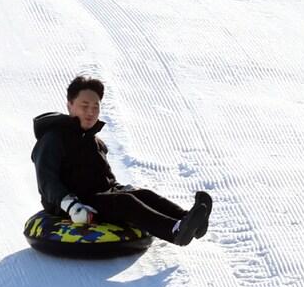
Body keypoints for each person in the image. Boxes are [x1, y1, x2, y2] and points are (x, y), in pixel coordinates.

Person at [31, 75, 211, 245]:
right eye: (84, 106)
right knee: (124, 202)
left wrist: (121, 188)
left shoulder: (94, 142)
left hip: (95, 198)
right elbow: (47, 180)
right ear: (70, 106)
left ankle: (189, 220)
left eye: (95, 107)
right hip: (69, 204)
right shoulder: (53, 138)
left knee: (142, 194)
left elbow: (106, 179)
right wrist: (71, 205)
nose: (91, 112)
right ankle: (175, 231)